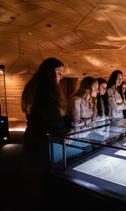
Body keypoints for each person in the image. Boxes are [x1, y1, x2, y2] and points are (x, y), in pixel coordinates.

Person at [21, 57, 70, 209]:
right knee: (40, 181)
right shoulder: (43, 90)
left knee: (38, 180)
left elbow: (57, 115)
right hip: (39, 141)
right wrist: (65, 132)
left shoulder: (37, 87)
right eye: (59, 72)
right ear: (50, 72)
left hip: (36, 138)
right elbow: (52, 117)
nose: (61, 77)